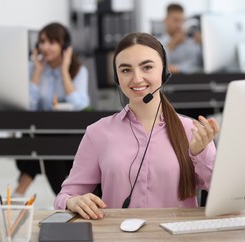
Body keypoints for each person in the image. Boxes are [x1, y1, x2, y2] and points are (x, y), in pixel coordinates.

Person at [54, 32, 219, 220]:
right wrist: (72, 201)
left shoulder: (192, 131)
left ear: (164, 71)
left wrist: (200, 153)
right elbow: (66, 196)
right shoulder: (98, 133)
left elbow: (223, 194)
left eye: (147, 67)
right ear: (117, 77)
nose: (137, 78)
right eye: (126, 70)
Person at [14, 22, 90, 197]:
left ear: (64, 46)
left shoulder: (78, 70)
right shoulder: (33, 68)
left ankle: (19, 194)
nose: (45, 47)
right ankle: (64, 197)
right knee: (42, 139)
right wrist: (37, 73)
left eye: (51, 42)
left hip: (69, 133)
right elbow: (27, 106)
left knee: (46, 142)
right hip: (40, 131)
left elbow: (81, 106)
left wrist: (64, 72)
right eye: (42, 41)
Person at [158, 3, 203, 74]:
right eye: (175, 20)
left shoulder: (190, 42)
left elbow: (197, 65)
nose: (179, 25)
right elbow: (157, 66)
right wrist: (171, 45)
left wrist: (202, 44)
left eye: (182, 20)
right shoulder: (157, 43)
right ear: (165, 21)